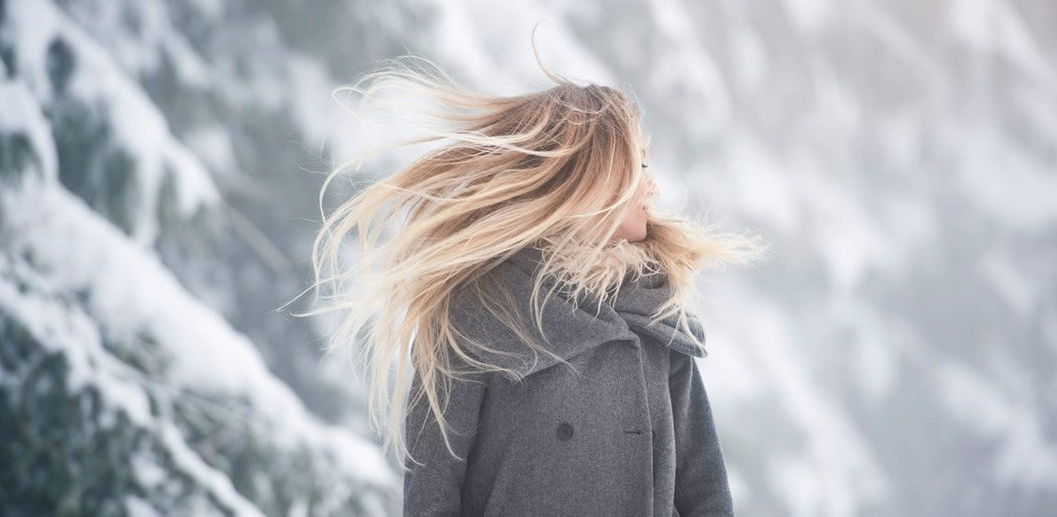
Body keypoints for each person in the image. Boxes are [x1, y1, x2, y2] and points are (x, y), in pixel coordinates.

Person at [302, 50, 766, 516]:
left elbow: (704, 490)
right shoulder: (480, 310)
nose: (654, 186)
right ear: (594, 176)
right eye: (639, 165)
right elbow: (432, 488)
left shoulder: (656, 316)